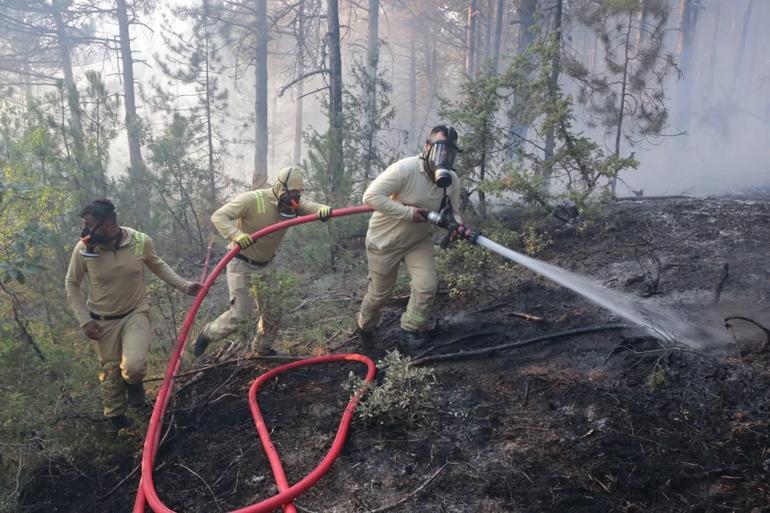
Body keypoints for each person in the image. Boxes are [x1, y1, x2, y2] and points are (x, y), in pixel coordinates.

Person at [65, 199, 202, 431]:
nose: (85, 231)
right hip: (101, 320)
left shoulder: (139, 241)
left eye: (89, 225)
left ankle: (134, 385)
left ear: (108, 224)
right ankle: (118, 422)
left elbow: (157, 265)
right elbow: (72, 283)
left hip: (135, 312)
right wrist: (84, 320)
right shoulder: (84, 249)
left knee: (134, 367)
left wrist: (185, 285)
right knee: (110, 374)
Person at [193, 165, 332, 357]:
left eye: (298, 193)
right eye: (292, 193)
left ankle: (261, 350)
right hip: (240, 262)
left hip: (265, 265)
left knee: (273, 312)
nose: (295, 199)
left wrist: (322, 209)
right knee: (240, 315)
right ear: (280, 188)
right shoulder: (252, 200)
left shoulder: (293, 204)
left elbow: (309, 207)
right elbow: (219, 216)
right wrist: (236, 235)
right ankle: (207, 334)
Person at [356, 125, 472, 351]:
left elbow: (454, 211)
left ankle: (410, 330)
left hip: (418, 241)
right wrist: (408, 213)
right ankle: (365, 327)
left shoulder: (452, 181)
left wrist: (457, 226)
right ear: (427, 147)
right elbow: (370, 196)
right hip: (384, 242)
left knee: (426, 286)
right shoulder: (405, 169)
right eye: (440, 150)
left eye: (450, 153)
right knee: (380, 295)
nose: (444, 157)